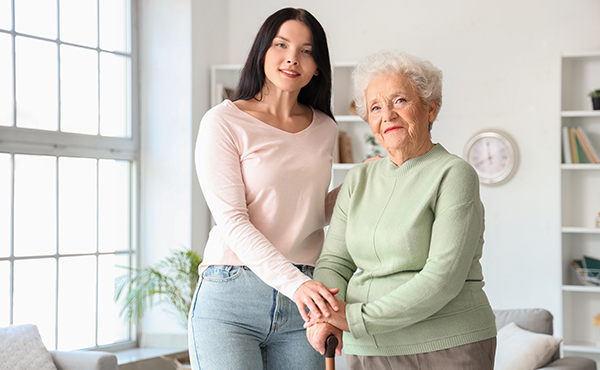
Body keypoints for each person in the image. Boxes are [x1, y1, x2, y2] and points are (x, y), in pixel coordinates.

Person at [304, 50, 497, 370]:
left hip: (446, 345)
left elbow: (443, 278)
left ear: (431, 108)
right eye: (376, 107)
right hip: (365, 347)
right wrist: (327, 313)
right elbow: (335, 261)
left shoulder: (454, 174)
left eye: (400, 101)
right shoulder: (357, 179)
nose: (387, 115)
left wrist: (350, 317)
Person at [188, 7, 342, 370]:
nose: (292, 58)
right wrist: (296, 285)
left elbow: (311, 211)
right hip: (232, 295)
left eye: (306, 50)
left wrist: (363, 183)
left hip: (304, 298)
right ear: (262, 52)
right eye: (281, 44)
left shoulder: (325, 128)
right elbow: (233, 221)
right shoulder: (223, 121)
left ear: (318, 65)